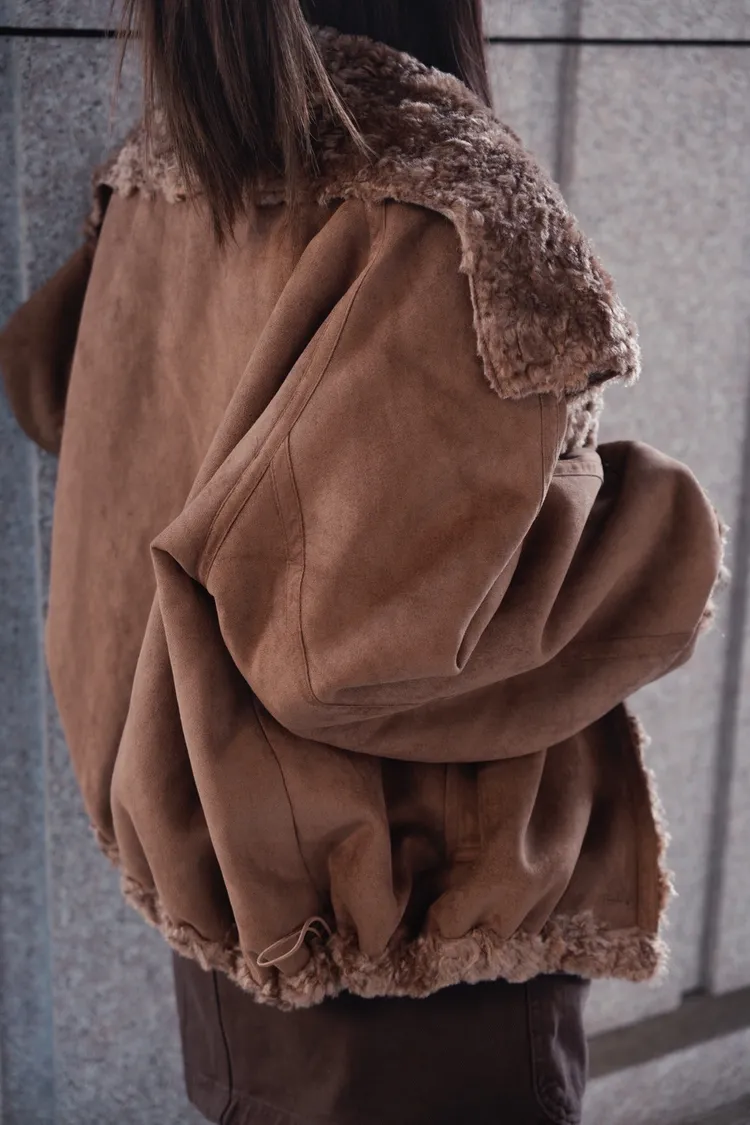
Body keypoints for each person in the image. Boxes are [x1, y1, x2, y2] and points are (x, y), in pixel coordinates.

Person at [0, 2, 725, 1122]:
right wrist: (658, 531)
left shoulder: (155, 180)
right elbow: (352, 648)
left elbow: (51, 392)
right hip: (416, 951)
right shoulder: (444, 198)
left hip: (233, 925)